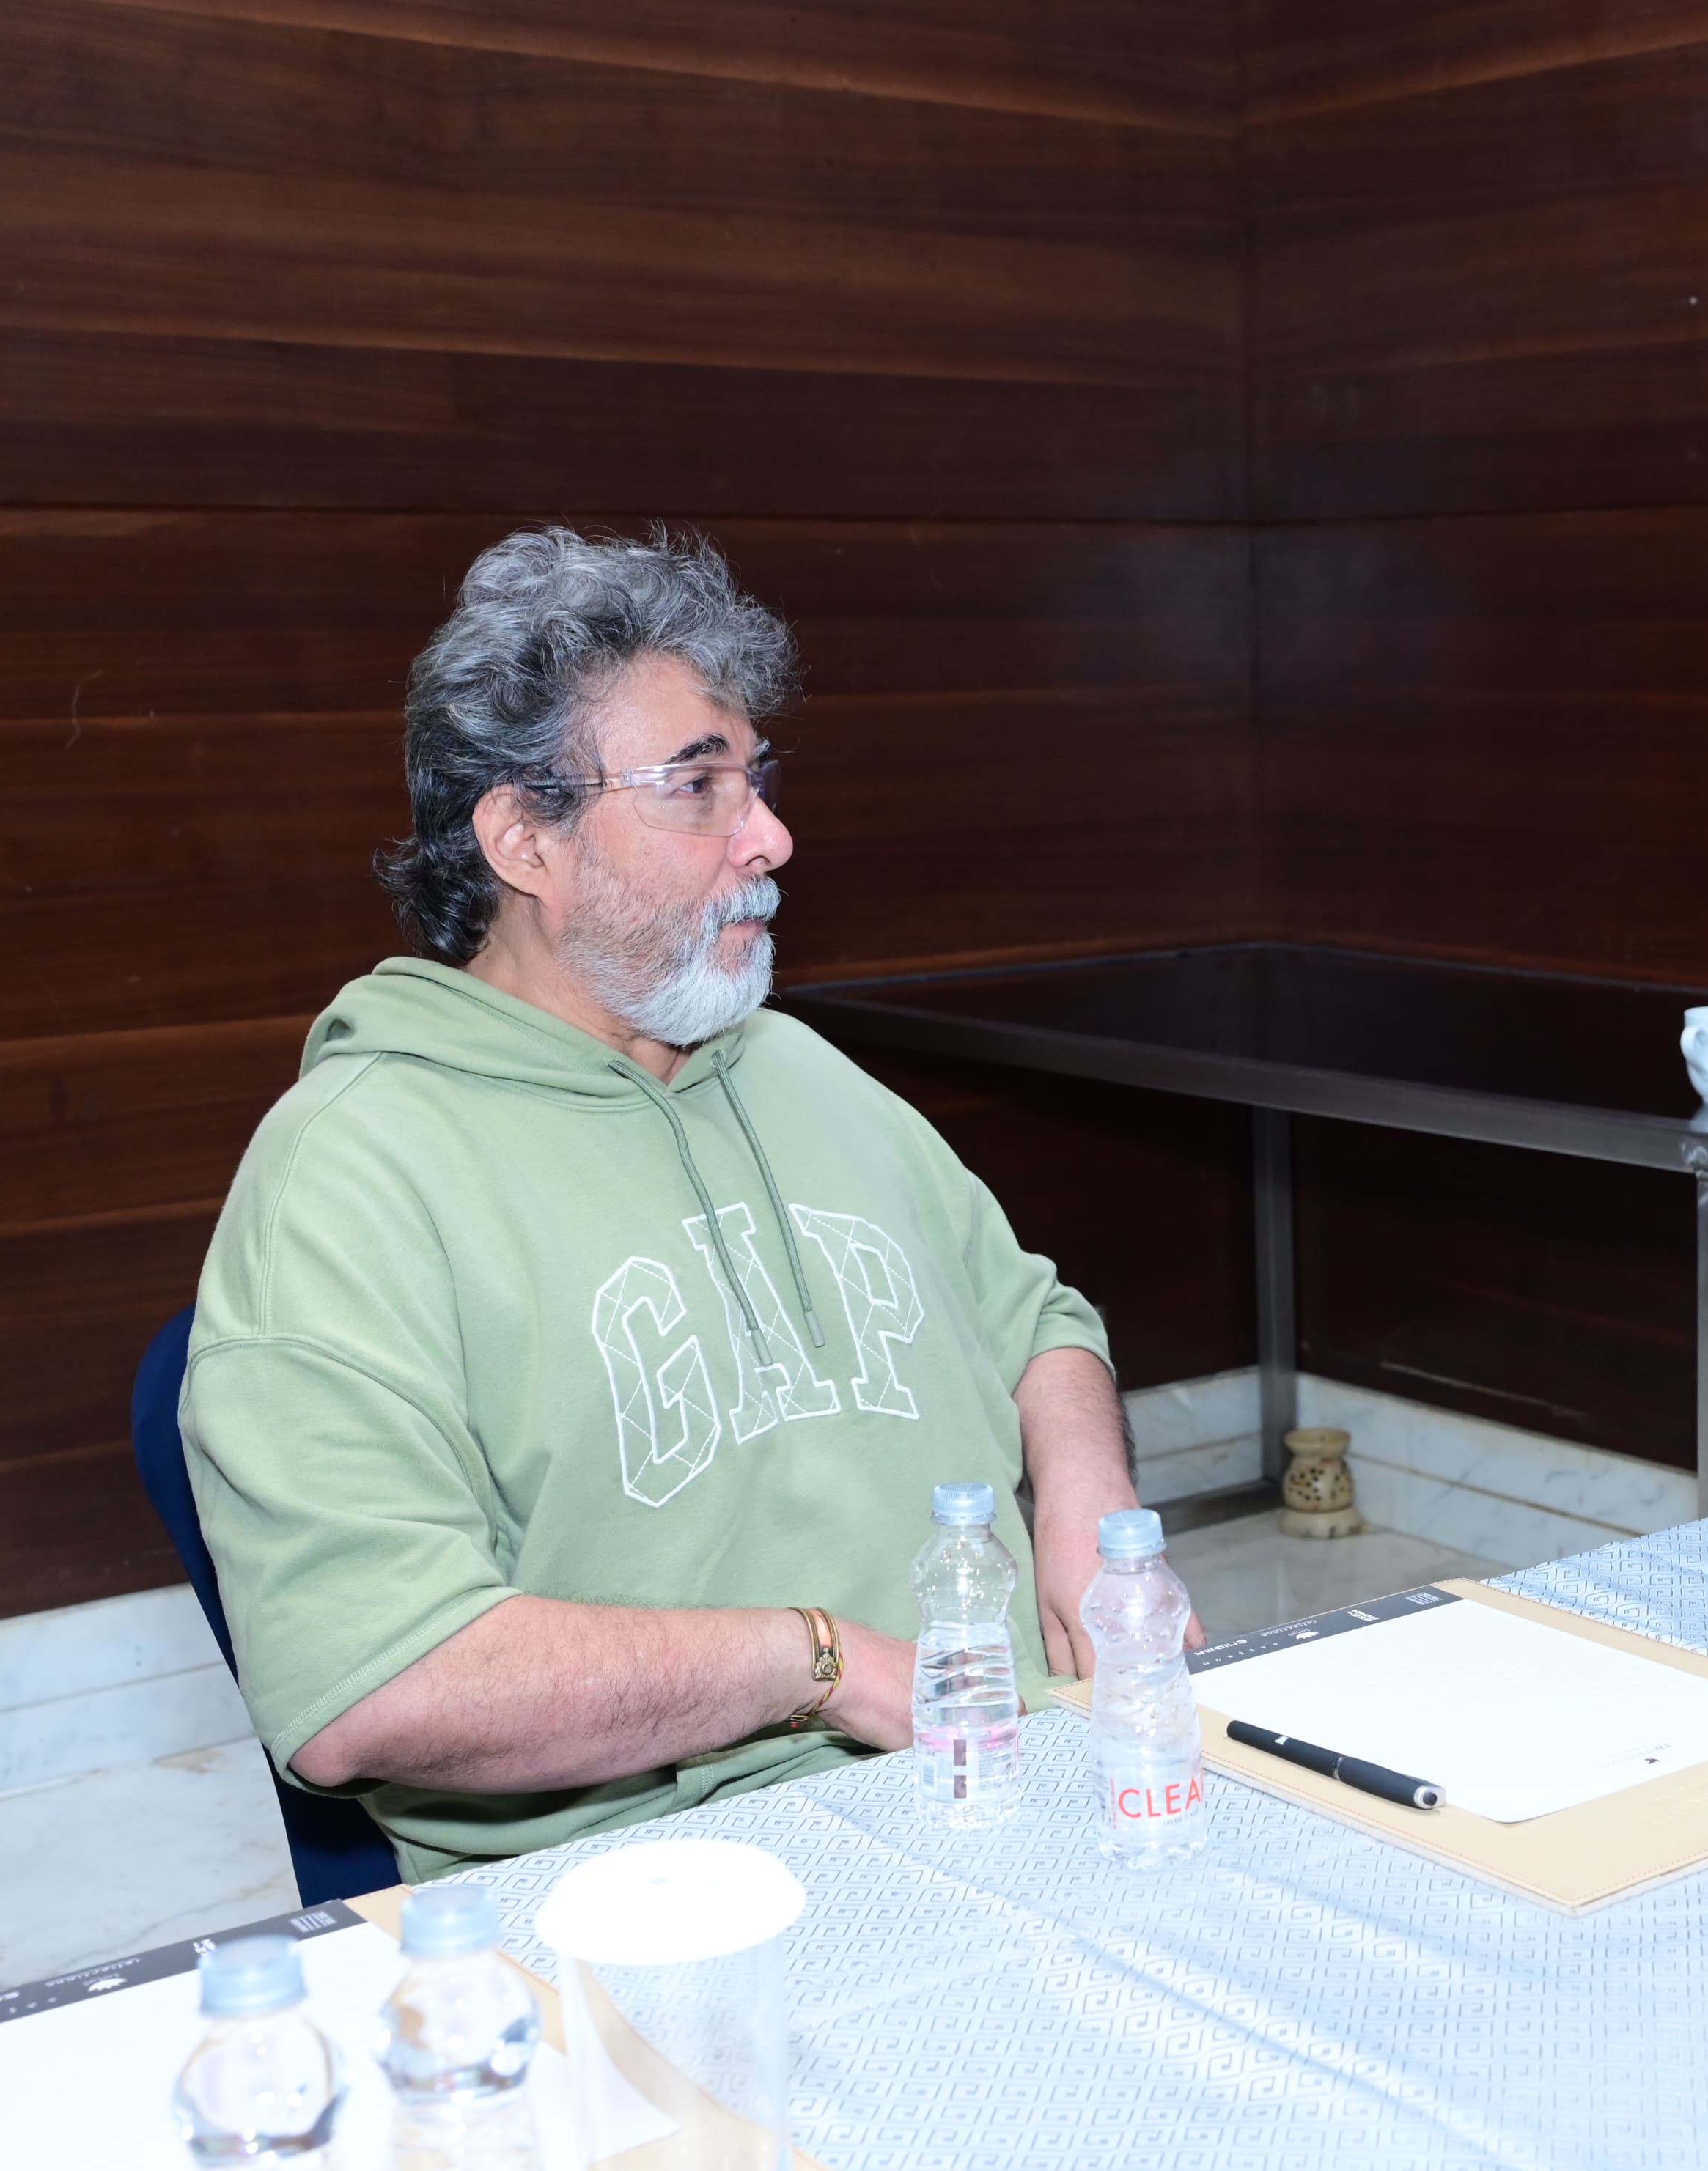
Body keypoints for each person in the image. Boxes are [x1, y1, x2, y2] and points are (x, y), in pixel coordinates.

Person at [185, 526, 1170, 1878]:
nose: (770, 836)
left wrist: (1085, 1512)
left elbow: (1037, 1323)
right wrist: (818, 1664)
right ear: (524, 838)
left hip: (1015, 1780)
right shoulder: (353, 1175)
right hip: (670, 1880)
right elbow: (377, 1685)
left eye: (755, 780)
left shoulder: (795, 1065)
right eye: (697, 787)